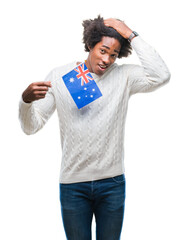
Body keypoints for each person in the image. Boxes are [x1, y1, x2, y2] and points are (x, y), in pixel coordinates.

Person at [19, 16, 171, 240]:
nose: (107, 59)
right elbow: (32, 126)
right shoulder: (60, 76)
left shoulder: (124, 76)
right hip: (73, 185)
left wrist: (130, 33)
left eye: (114, 54)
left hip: (112, 184)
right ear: (90, 45)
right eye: (103, 50)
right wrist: (26, 102)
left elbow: (161, 75)